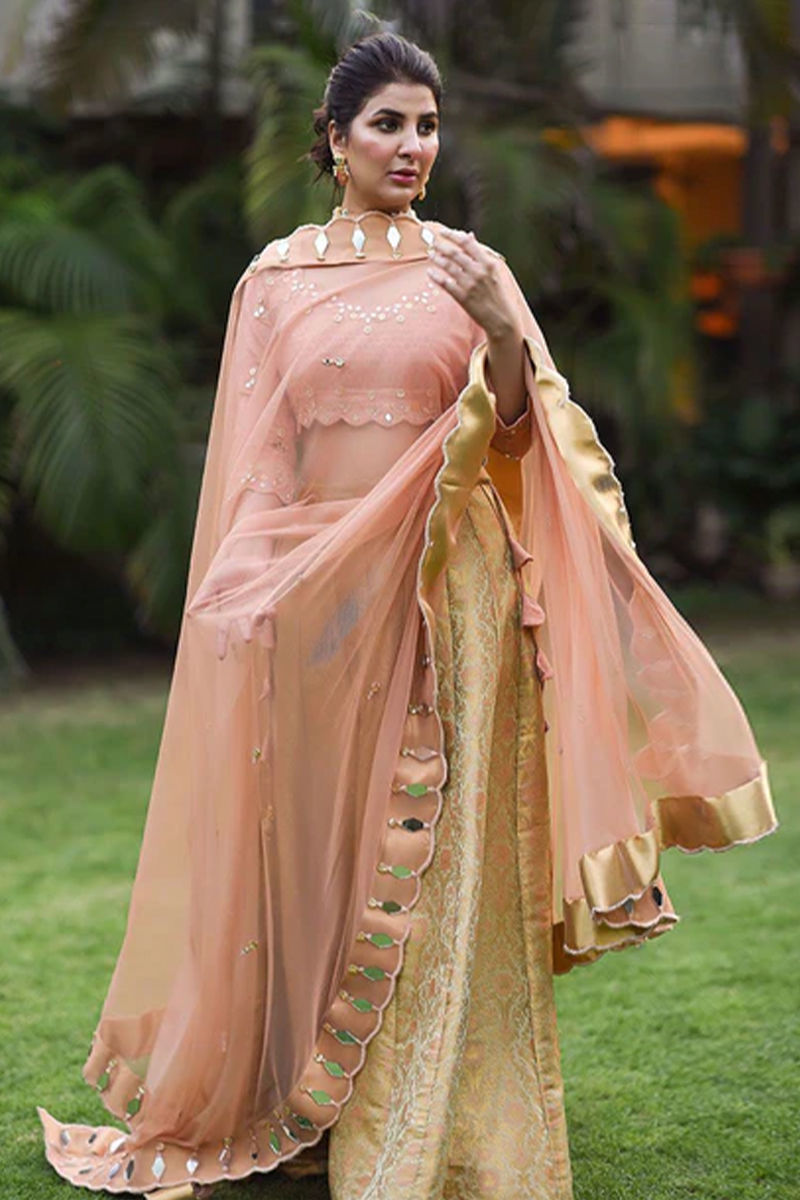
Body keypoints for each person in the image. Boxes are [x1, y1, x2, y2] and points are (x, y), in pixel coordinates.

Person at [38, 31, 777, 1200]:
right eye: (387, 123)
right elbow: (259, 453)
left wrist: (499, 328)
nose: (411, 146)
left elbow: (532, 441)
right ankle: (301, 1107)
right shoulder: (273, 280)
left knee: (437, 861)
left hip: (452, 601)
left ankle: (425, 1123)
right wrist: (241, 582)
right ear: (333, 141)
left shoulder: (470, 268)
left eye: (427, 126)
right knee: (311, 854)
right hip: (312, 600)